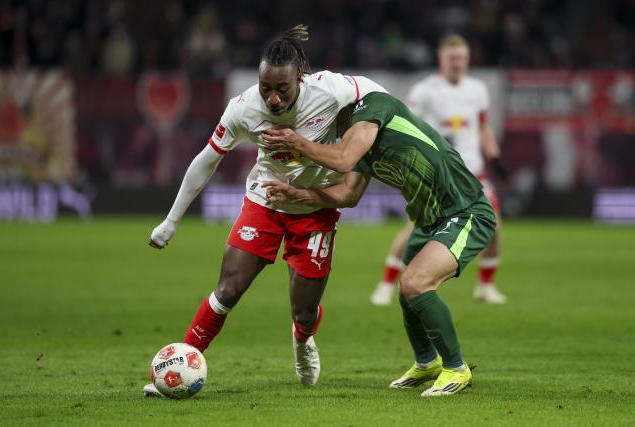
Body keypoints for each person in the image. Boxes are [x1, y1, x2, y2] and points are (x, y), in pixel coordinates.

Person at [143, 25, 386, 396]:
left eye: (281, 89)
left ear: (299, 80)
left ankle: (303, 338)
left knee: (304, 310)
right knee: (228, 289)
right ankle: (181, 365)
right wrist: (172, 219)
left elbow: (376, 95)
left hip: (314, 205)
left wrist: (372, 130)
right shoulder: (243, 109)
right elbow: (206, 160)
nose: (272, 98)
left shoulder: (329, 89)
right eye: (265, 87)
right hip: (266, 199)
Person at [261, 91, 496, 397]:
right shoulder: (362, 149)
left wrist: (297, 143)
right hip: (428, 220)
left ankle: (456, 368)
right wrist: (299, 196)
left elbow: (344, 158)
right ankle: (427, 363)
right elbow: (348, 195)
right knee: (407, 290)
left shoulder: (375, 104)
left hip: (465, 211)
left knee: (417, 284)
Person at [370, 34, 508, 306]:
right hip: (439, 175)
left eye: (462, 59)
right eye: (452, 58)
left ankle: (485, 286)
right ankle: (386, 283)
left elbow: (481, 125)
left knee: (493, 228)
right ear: (441, 60)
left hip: (473, 175)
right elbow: (405, 126)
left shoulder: (477, 90)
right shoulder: (425, 91)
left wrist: (495, 155)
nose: (457, 63)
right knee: (414, 229)